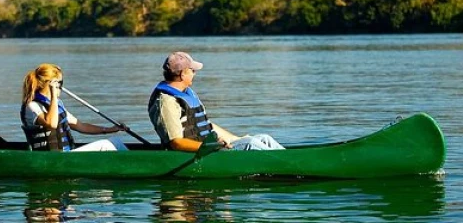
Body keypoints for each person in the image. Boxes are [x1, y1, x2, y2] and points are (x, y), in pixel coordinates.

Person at [148, 51, 284, 152]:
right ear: (183, 74)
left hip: (209, 147)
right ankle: (289, 165)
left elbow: (206, 126)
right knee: (251, 144)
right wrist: (212, 146)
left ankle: (293, 159)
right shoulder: (167, 101)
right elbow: (176, 143)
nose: (195, 73)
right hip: (196, 154)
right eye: (192, 70)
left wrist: (236, 139)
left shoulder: (186, 93)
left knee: (264, 138)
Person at [20, 63, 128, 152]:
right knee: (106, 145)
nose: (61, 87)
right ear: (51, 84)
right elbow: (51, 124)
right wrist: (53, 94)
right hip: (51, 158)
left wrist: (110, 129)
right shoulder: (32, 106)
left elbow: (81, 126)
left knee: (115, 142)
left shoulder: (57, 104)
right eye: (60, 83)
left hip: (67, 154)